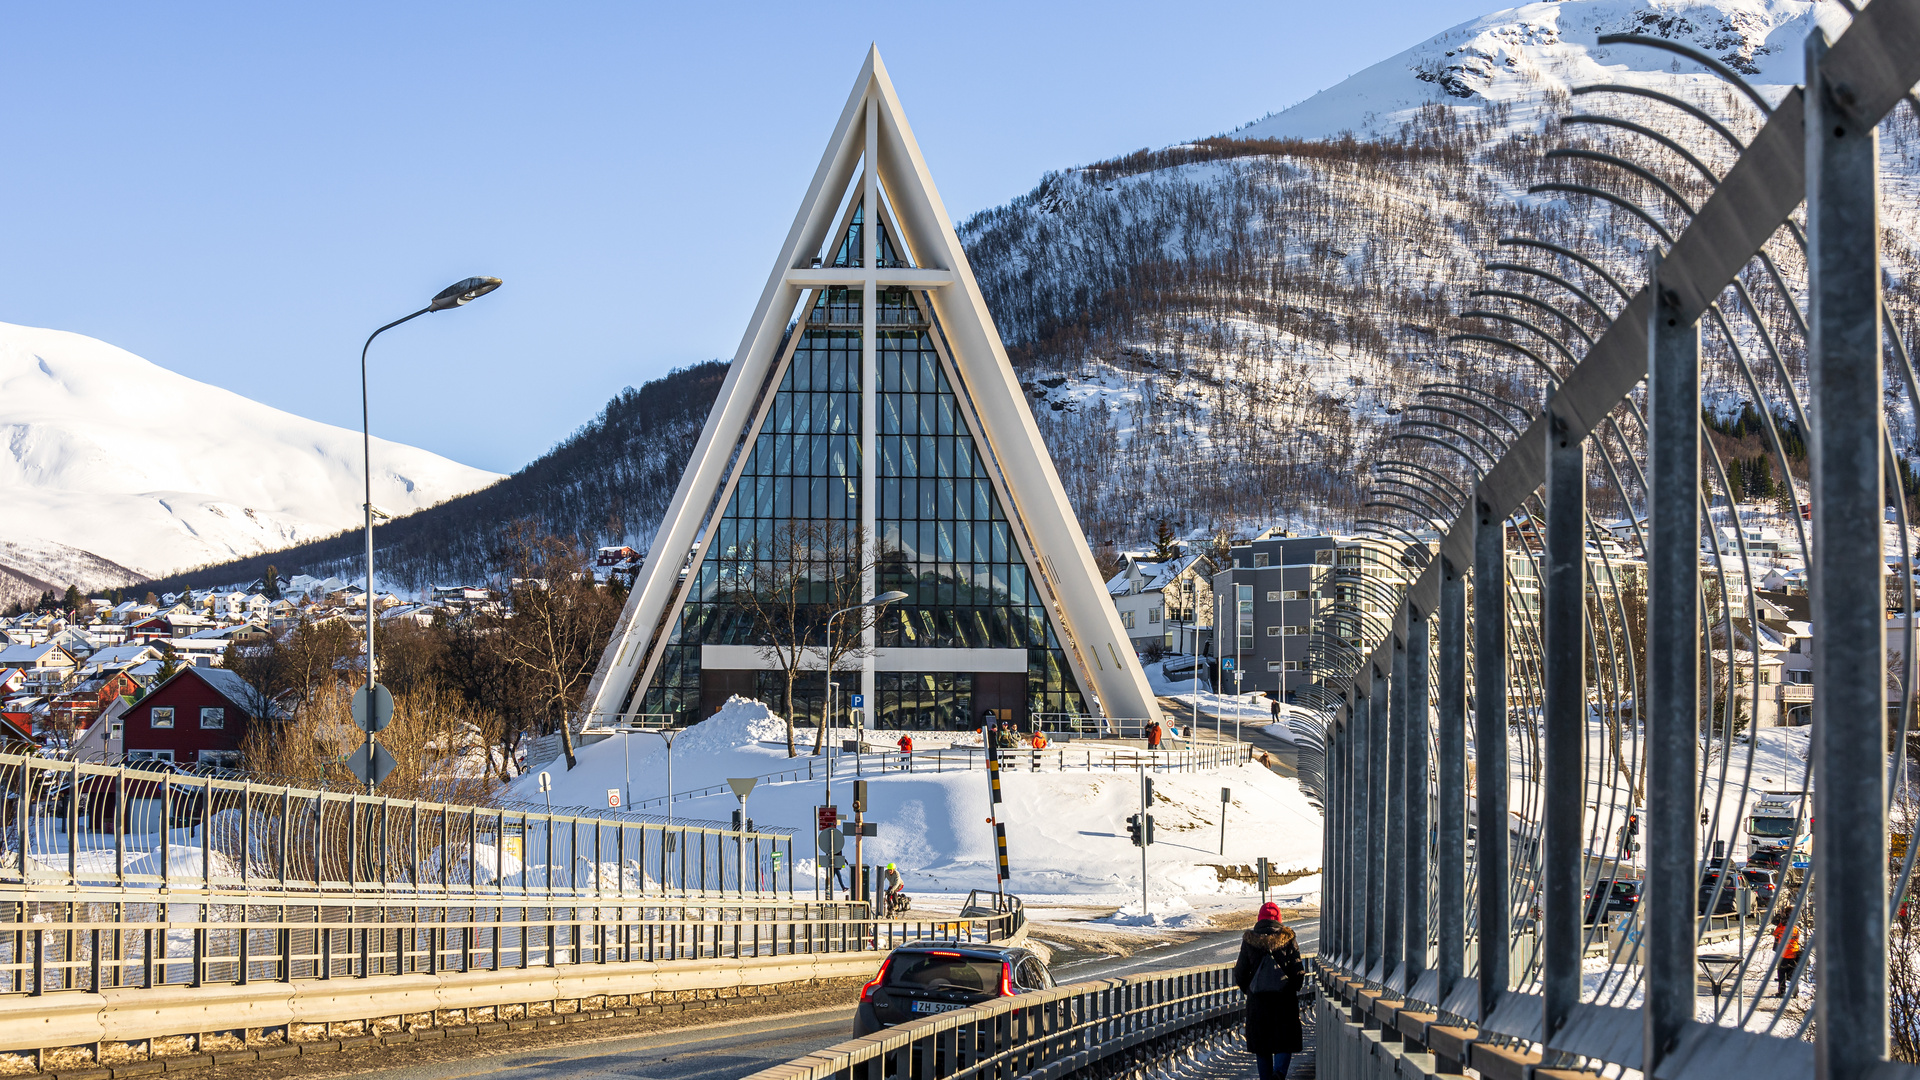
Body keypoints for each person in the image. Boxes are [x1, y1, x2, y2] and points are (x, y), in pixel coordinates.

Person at [1233, 901, 1304, 1080]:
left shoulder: (1249, 940)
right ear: (1279, 919)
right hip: (1284, 1001)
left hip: (1258, 1003)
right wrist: (1292, 988)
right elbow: (1298, 972)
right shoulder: (1288, 938)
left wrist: (1251, 991)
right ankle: (1279, 1074)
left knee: (1262, 1046)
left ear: (1259, 919)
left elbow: (1240, 973)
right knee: (1284, 1042)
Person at [1772, 912, 1803, 996]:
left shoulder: (1781, 928)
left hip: (1783, 954)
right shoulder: (1796, 928)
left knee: (1781, 973)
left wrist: (1780, 924)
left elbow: (1775, 934)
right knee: (1793, 974)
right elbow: (1798, 935)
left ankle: (1782, 991)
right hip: (1793, 954)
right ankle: (1795, 992)